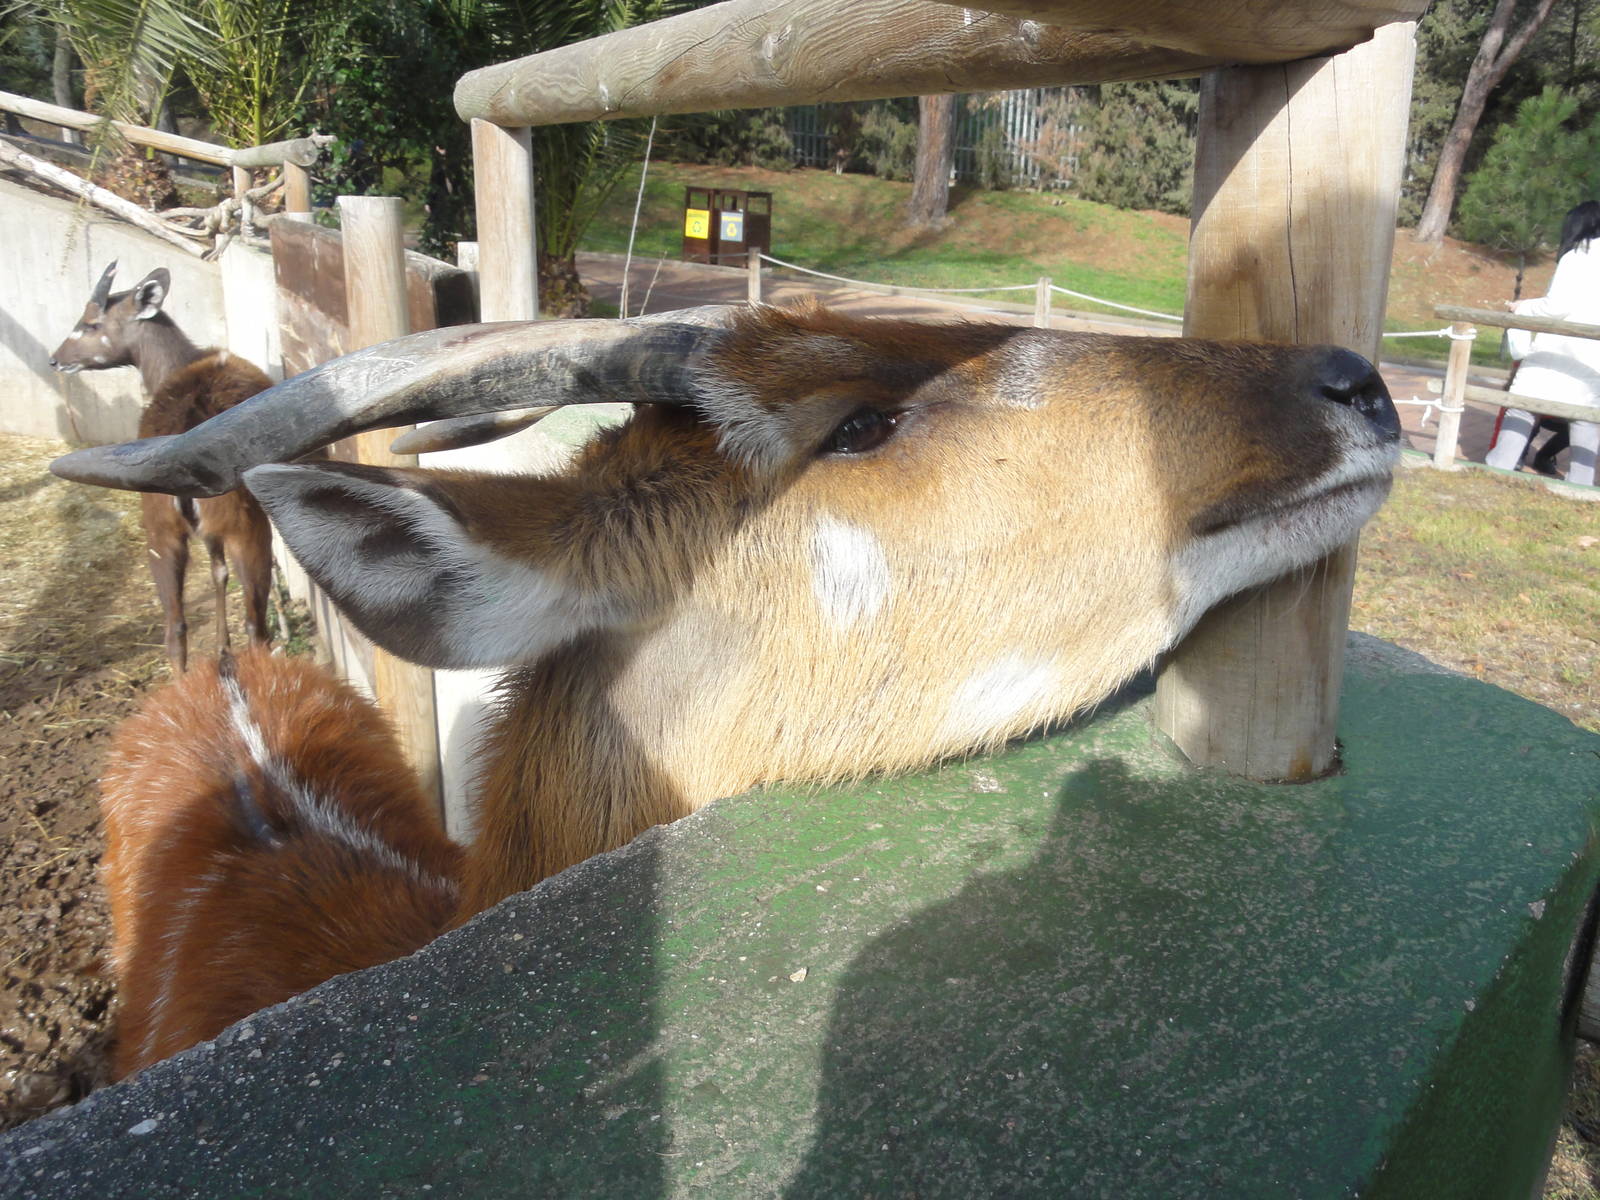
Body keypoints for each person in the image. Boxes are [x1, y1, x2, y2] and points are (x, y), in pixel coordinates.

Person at [1484, 201, 1600, 486]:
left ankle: (1498, 466)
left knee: (1522, 405)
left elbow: (1556, 307)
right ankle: (1581, 485)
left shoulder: (1578, 256)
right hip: (1593, 356)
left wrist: (1524, 307)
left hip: (1560, 348)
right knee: (1585, 418)